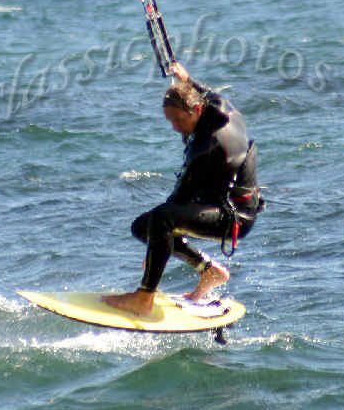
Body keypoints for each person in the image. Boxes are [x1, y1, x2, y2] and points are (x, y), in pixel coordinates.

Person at [103, 62, 263, 315]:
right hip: (227, 203)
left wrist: (156, 243)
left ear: (197, 110)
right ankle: (208, 271)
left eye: (178, 119)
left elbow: (175, 202)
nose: (175, 126)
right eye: (170, 120)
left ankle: (144, 298)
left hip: (234, 218)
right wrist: (187, 80)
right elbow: (206, 92)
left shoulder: (206, 148)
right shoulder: (221, 109)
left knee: (160, 220)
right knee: (142, 226)